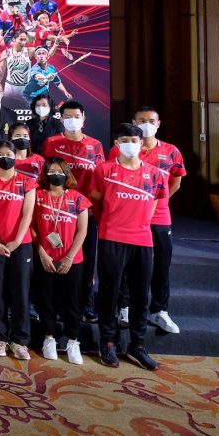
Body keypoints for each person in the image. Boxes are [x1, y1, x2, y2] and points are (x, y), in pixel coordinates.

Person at [89, 124, 168, 370]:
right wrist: (109, 223)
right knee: (109, 292)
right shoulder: (103, 169)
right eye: (124, 140)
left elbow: (154, 204)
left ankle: (138, 344)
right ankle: (108, 342)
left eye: (134, 140)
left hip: (142, 240)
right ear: (116, 144)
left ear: (141, 143)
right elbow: (96, 202)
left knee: (140, 295)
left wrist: (139, 224)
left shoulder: (155, 174)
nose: (130, 144)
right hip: (111, 238)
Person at [108, 106, 187, 335]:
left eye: (151, 120)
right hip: (129, 216)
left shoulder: (171, 151)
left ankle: (159, 310)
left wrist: (157, 201)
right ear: (134, 122)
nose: (146, 124)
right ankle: (124, 307)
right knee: (126, 264)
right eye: (141, 120)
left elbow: (176, 182)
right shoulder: (122, 148)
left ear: (158, 123)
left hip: (160, 215)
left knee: (161, 262)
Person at [42, 101, 105, 322]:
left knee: (86, 259)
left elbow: (100, 180)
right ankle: (58, 305)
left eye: (76, 116)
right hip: (57, 211)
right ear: (61, 119)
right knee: (58, 256)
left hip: (86, 212)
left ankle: (85, 304)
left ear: (84, 118)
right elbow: (46, 176)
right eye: (67, 117)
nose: (72, 120)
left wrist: (91, 207)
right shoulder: (51, 142)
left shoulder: (95, 145)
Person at [31, 156, 89, 365]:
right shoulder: (37, 196)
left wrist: (69, 257)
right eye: (51, 171)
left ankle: (73, 341)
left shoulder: (78, 198)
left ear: (67, 174)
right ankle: (49, 339)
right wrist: (41, 252)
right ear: (45, 174)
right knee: (46, 301)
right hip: (45, 259)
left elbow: (82, 231)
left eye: (60, 171)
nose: (56, 175)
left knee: (72, 303)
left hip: (71, 260)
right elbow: (31, 226)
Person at [0, 139, 37, 360]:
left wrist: (16, 241)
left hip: (21, 245)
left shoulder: (27, 181)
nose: (5, 157)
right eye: (0, 154)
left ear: (16, 157)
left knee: (21, 293)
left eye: (9, 154)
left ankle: (20, 341)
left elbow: (27, 214)